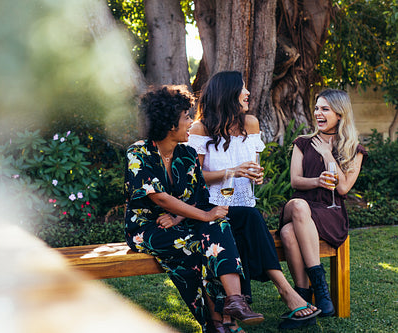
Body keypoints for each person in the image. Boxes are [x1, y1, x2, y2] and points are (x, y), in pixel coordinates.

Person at [125, 86, 264, 333]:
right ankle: (214, 322)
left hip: (181, 220)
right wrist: (204, 215)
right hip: (147, 227)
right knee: (196, 248)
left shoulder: (187, 153)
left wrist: (180, 218)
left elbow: (197, 196)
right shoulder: (138, 153)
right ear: (169, 125)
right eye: (186, 117)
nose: (191, 122)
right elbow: (160, 198)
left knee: (219, 225)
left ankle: (235, 301)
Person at [188, 71, 320, 330]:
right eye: (242, 88)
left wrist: (255, 175)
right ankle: (286, 291)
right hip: (209, 207)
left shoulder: (251, 124)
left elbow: (255, 168)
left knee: (246, 221)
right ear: (227, 93)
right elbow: (194, 180)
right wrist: (233, 171)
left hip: (242, 205)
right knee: (248, 220)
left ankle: (235, 311)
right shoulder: (200, 129)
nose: (248, 93)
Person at [278, 89, 368, 318]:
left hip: (330, 211)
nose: (318, 112)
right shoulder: (302, 143)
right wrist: (317, 181)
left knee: (289, 232)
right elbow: (295, 181)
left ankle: (303, 297)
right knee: (298, 207)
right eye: (317, 108)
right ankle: (322, 290)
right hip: (301, 203)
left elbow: (343, 188)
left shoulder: (354, 149)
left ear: (339, 114)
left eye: (324, 109)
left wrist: (328, 156)